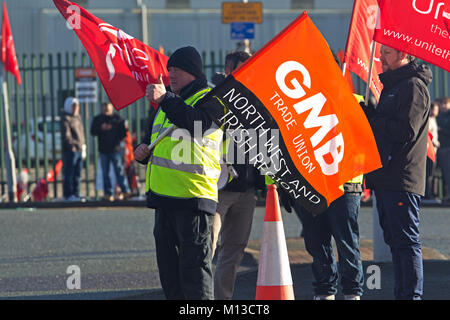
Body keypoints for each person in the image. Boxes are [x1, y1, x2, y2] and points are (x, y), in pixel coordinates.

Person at [134, 46, 224, 300]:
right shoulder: (170, 101)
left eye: (177, 70)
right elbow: (159, 143)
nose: (170, 75)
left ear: (193, 72)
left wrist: (166, 100)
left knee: (194, 274)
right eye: (169, 69)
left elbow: (198, 126)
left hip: (193, 199)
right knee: (170, 277)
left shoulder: (210, 99)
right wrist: (143, 152)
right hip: (164, 200)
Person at [363, 45, 432, 300]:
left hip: (401, 177)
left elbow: (406, 131)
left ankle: (411, 295)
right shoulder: (393, 87)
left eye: (387, 53)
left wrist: (373, 121)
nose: (381, 58)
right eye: (381, 53)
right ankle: (404, 294)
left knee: (406, 242)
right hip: (387, 176)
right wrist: (369, 115)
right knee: (396, 241)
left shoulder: (413, 86)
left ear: (403, 54)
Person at [210, 51, 266, 300]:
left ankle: (222, 300)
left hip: (246, 189)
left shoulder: (257, 99)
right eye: (245, 68)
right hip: (218, 188)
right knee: (205, 247)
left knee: (233, 251)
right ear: (230, 71)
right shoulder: (214, 98)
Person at [90, 102, 131, 201]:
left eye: (108, 108)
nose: (106, 110)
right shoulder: (98, 119)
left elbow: (123, 133)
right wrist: (101, 128)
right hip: (103, 150)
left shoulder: (117, 119)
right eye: (104, 108)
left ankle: (125, 191)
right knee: (105, 173)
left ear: (111, 108)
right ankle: (108, 194)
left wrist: (121, 131)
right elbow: (92, 131)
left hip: (115, 149)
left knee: (119, 171)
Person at [61, 97, 85, 201]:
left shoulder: (77, 118)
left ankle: (76, 192)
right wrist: (73, 146)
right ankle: (68, 193)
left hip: (80, 149)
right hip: (72, 150)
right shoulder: (66, 118)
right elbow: (66, 136)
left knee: (77, 173)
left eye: (77, 106)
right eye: (73, 106)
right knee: (69, 173)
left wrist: (83, 145)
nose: (75, 108)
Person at [425, 100, 440, 200]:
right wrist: (434, 142)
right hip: (429, 151)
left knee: (433, 173)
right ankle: (427, 194)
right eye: (434, 110)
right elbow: (428, 133)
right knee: (429, 174)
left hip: (435, 151)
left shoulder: (434, 120)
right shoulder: (429, 120)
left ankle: (431, 193)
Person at [436, 97, 450, 202]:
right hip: (439, 149)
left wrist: (442, 130)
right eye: (442, 103)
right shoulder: (437, 116)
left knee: (447, 173)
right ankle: (443, 195)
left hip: (446, 148)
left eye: (446, 103)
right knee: (440, 173)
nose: (443, 106)